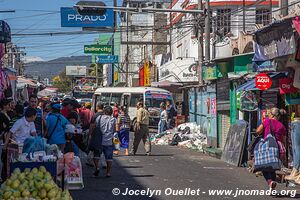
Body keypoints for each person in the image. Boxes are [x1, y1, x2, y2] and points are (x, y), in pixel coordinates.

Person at [256, 107, 286, 190]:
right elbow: (284, 140)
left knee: (263, 166)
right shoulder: (282, 126)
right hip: (278, 147)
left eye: (269, 114)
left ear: (272, 115)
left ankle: (270, 182)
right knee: (272, 167)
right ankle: (272, 185)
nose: (268, 115)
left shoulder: (267, 121)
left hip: (268, 146)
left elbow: (258, 131)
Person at [94, 105, 116, 177]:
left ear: (104, 111)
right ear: (111, 112)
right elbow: (115, 130)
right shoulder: (113, 119)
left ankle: (97, 167)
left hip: (99, 140)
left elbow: (96, 127)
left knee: (96, 155)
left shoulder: (99, 118)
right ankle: (108, 172)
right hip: (109, 141)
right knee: (109, 158)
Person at [88, 102, 106, 170]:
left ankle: (95, 165)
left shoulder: (95, 115)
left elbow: (92, 126)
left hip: (96, 135)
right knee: (103, 150)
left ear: (97, 107)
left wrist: (90, 134)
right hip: (104, 135)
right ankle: (104, 163)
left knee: (95, 150)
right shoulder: (105, 115)